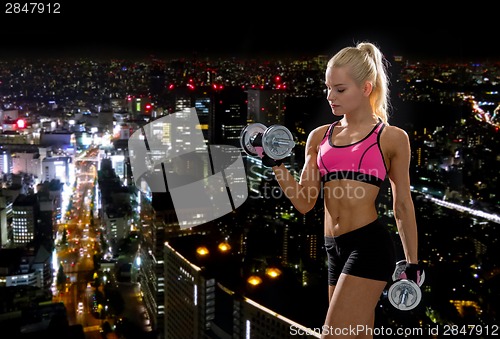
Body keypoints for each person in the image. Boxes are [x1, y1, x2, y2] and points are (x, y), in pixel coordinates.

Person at [261, 41, 420, 338]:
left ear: (366, 88)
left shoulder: (390, 138)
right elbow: (305, 202)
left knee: (334, 334)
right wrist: (276, 164)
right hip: (333, 248)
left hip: (369, 246)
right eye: (328, 88)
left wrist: (412, 263)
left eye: (340, 89)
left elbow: (402, 206)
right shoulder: (318, 137)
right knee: (356, 335)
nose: (330, 96)